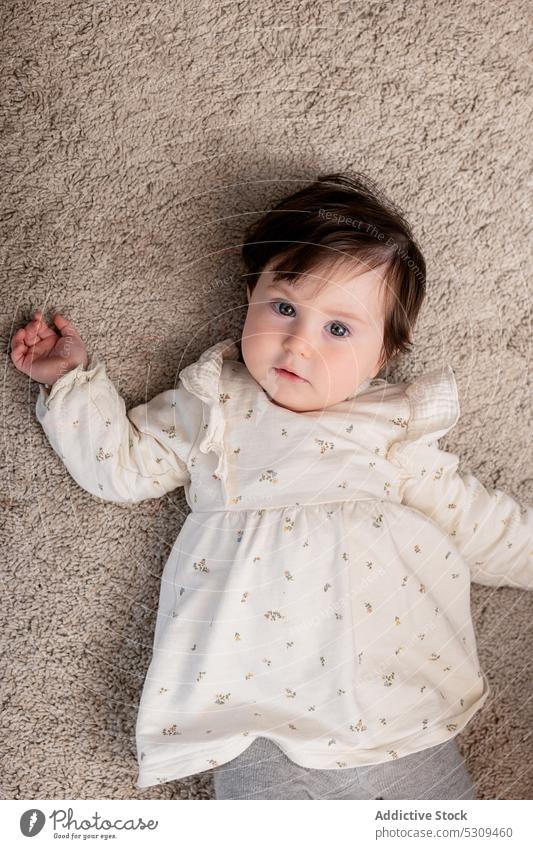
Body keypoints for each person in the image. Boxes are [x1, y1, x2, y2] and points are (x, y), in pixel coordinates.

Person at [10, 172, 532, 800]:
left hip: (398, 712)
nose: (298, 343)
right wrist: (71, 382)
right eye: (283, 308)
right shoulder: (213, 403)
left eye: (338, 329)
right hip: (254, 711)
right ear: (250, 297)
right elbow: (121, 467)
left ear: (385, 354)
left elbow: (482, 525)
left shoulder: (392, 431)